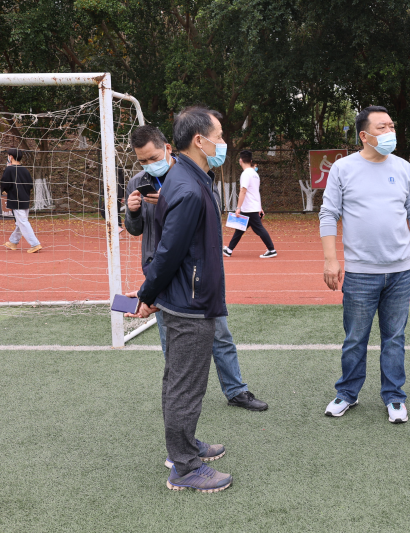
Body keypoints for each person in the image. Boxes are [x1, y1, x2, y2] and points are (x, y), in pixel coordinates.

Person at [128, 106, 235, 493]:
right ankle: (185, 467)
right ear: (199, 141)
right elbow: (168, 252)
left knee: (180, 381)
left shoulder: (189, 177)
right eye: (218, 136)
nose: (223, 143)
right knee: (185, 386)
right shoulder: (188, 187)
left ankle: (186, 446)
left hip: (187, 296)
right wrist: (147, 294)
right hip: (189, 304)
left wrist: (154, 293)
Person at [124, 125, 267, 413]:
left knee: (220, 334)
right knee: (170, 341)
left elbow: (210, 212)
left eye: (153, 157)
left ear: (167, 148)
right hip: (160, 271)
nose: (149, 165)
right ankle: (178, 396)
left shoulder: (192, 174)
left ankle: (236, 390)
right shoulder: (137, 182)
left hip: (197, 273)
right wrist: (133, 210)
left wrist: (167, 202)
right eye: (143, 161)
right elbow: (134, 229)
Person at [319, 105, 410, 424]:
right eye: (382, 127)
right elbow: (329, 214)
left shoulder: (404, 168)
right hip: (360, 273)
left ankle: (394, 397)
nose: (390, 131)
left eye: (391, 125)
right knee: (355, 338)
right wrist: (331, 259)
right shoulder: (343, 169)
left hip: (399, 272)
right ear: (364, 135)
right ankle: (347, 393)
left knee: (394, 338)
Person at [222, 150, 276, 259]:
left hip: (249, 208)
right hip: (251, 207)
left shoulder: (246, 174)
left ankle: (271, 250)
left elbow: (243, 191)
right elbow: (256, 192)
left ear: (240, 161)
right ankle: (229, 250)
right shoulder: (255, 174)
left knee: (258, 229)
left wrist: (238, 207)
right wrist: (260, 207)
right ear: (251, 161)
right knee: (240, 229)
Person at [1, 148, 42, 253]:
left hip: (16, 199)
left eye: (8, 155)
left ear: (11, 157)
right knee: (20, 222)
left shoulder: (9, 169)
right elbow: (30, 185)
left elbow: (5, 184)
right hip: (25, 198)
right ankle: (13, 242)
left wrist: (5, 190)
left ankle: (35, 244)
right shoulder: (25, 170)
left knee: (22, 222)